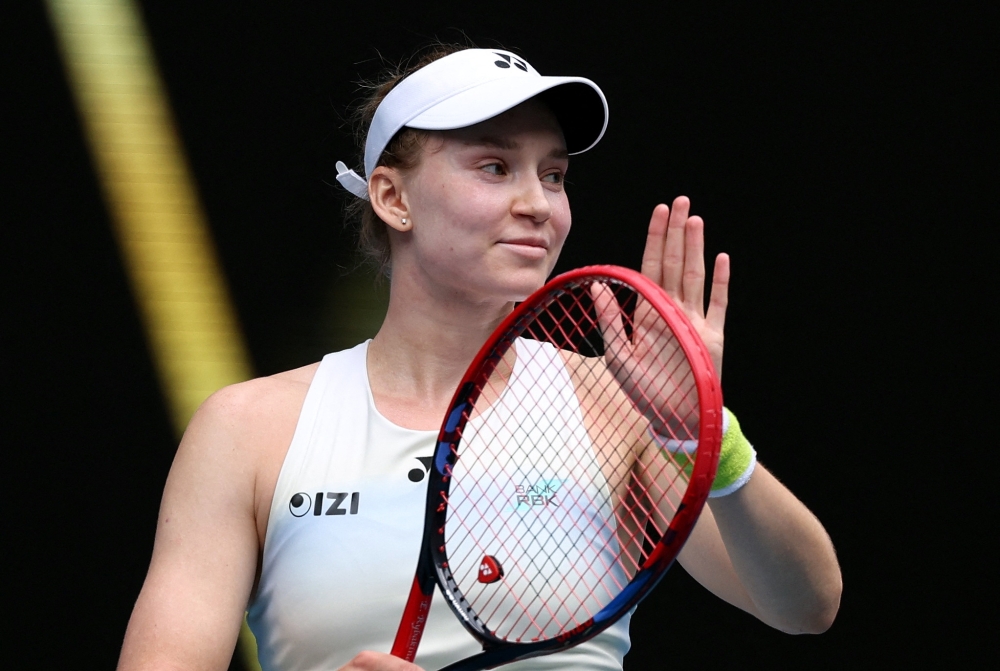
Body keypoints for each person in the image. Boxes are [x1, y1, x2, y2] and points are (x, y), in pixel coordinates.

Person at [117, 44, 842, 671]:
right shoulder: (247, 428)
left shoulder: (617, 406)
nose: (539, 203)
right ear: (392, 197)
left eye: (553, 175)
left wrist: (706, 433)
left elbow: (806, 604)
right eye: (495, 167)